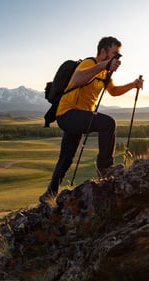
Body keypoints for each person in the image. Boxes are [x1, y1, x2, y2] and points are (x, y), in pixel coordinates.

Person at [40, 36, 143, 204]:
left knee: (66, 158)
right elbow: (76, 79)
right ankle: (105, 169)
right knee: (108, 123)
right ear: (103, 52)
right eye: (115, 54)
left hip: (79, 117)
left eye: (119, 55)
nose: (118, 59)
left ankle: (49, 194)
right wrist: (104, 65)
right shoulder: (89, 63)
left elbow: (114, 91)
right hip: (67, 113)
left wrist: (133, 84)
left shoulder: (105, 73)